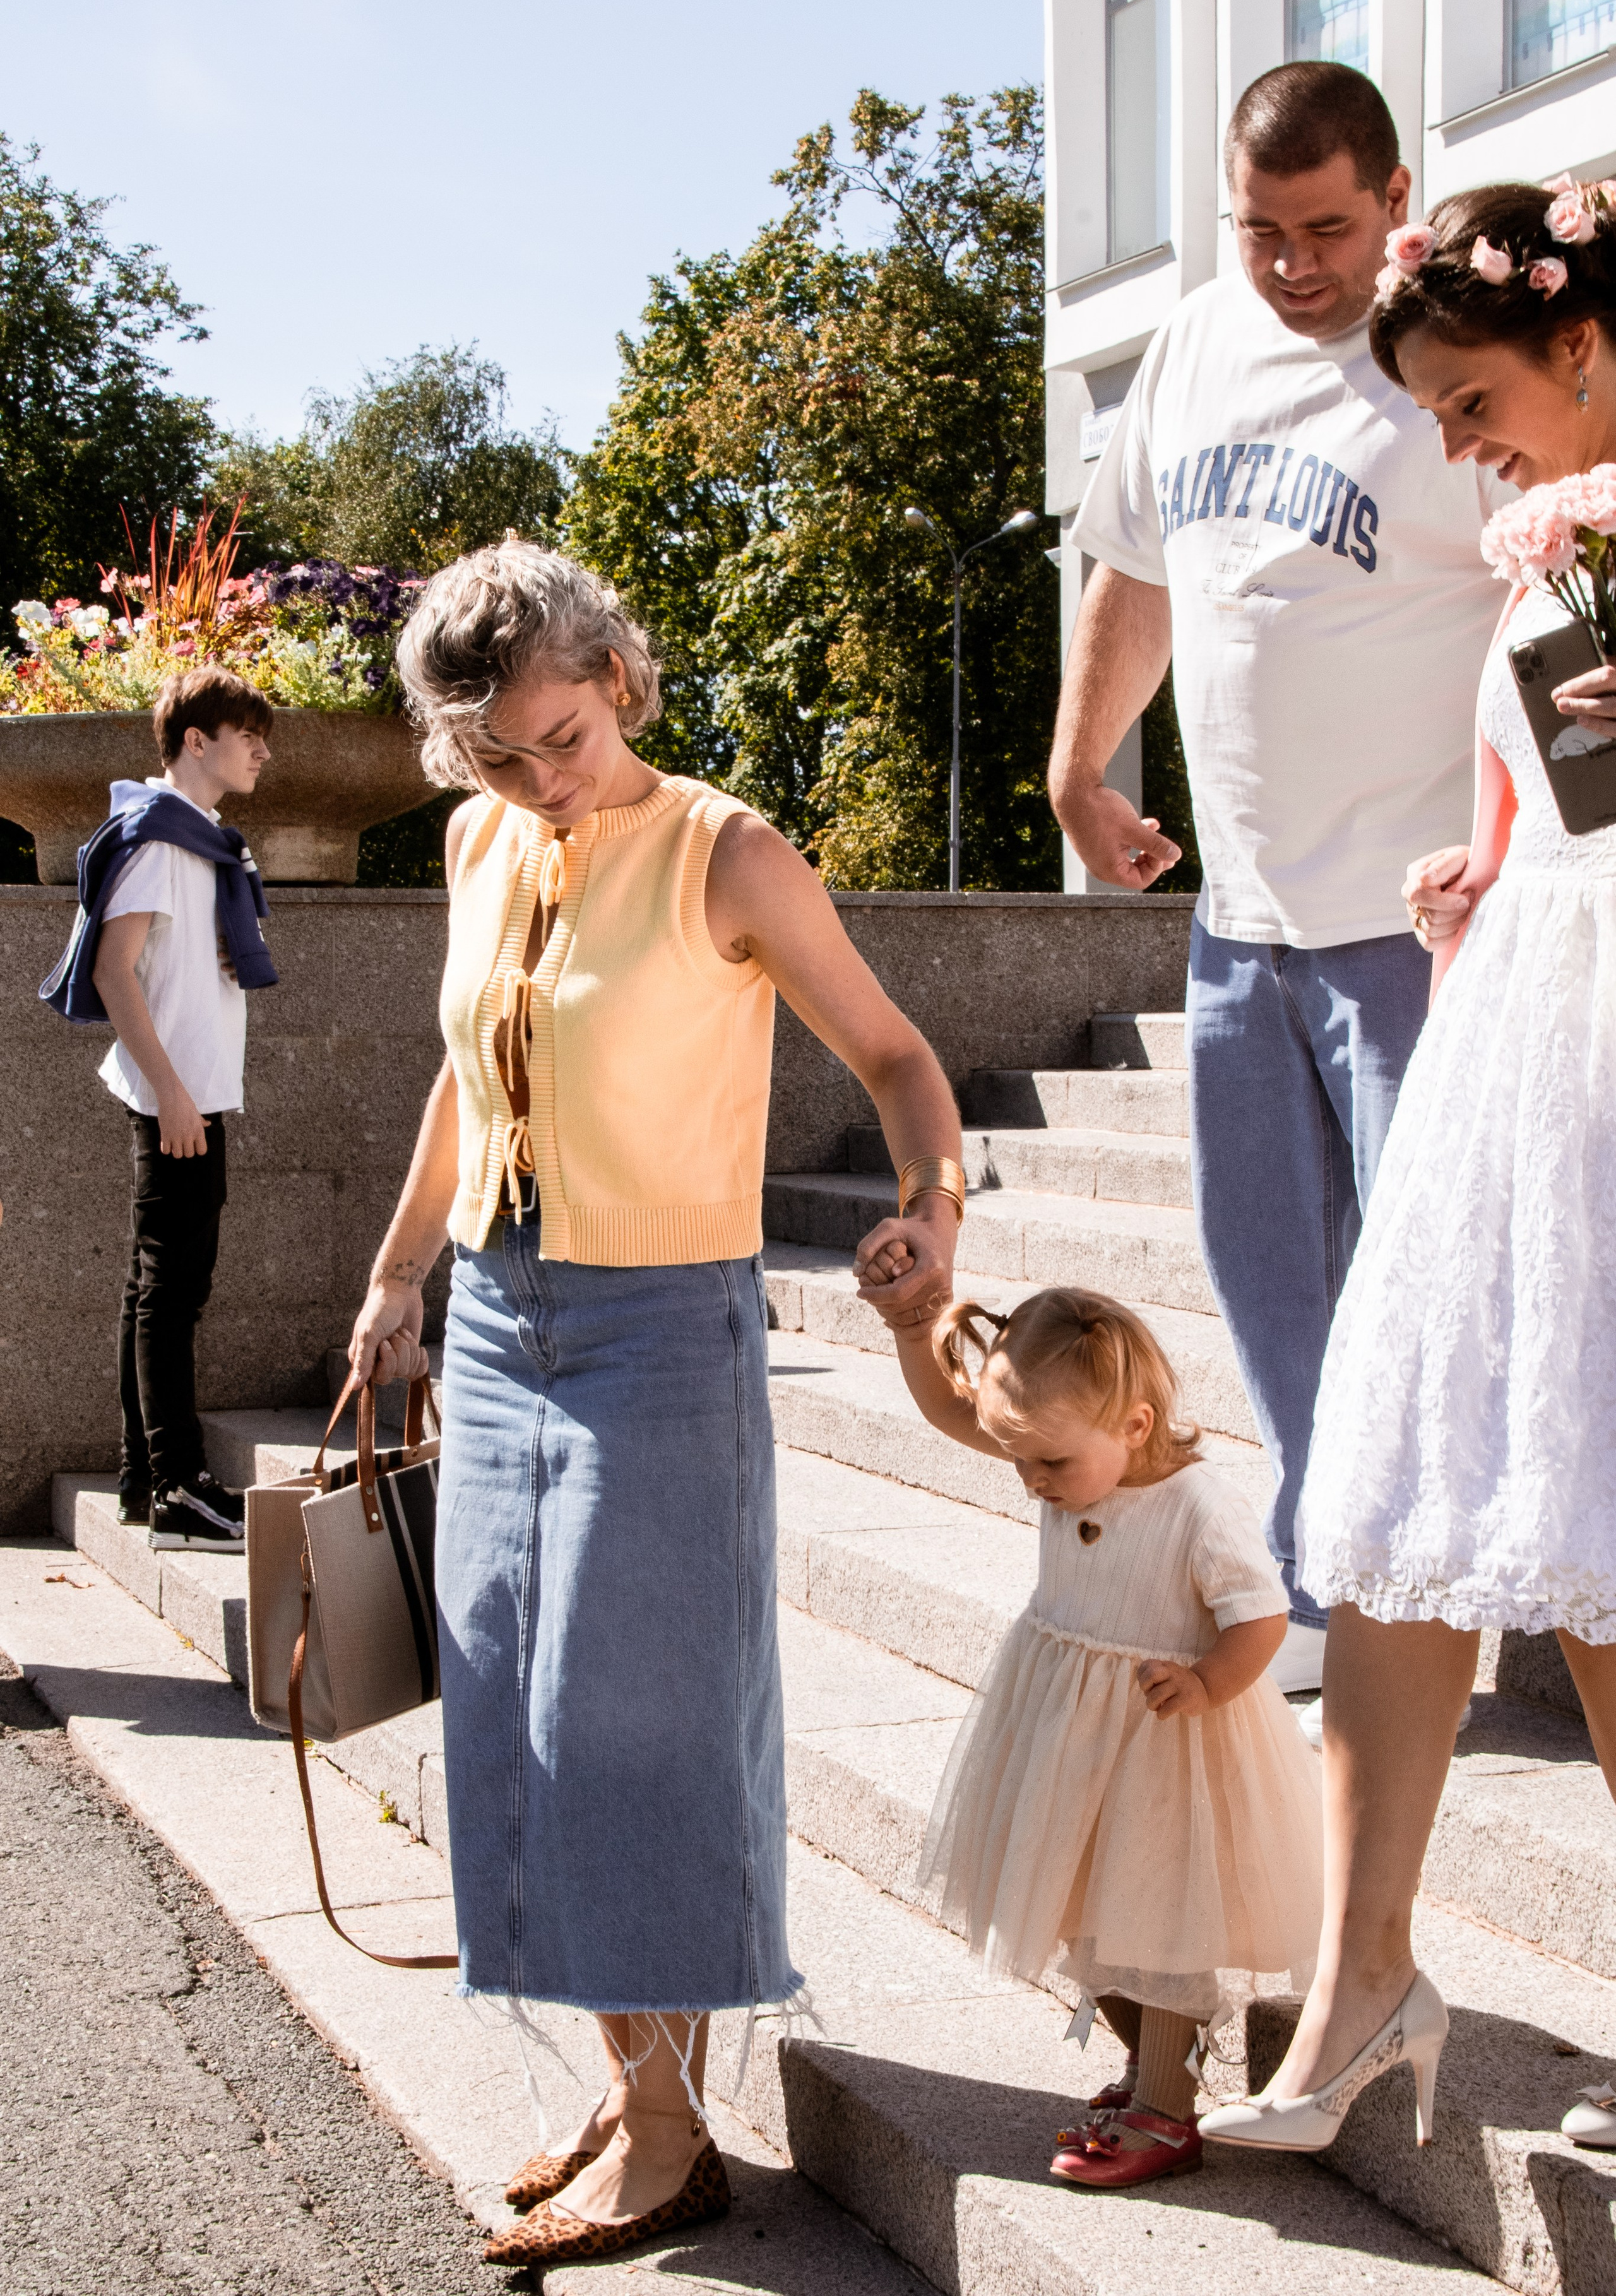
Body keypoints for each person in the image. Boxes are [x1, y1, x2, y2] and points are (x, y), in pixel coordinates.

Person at [344, 540, 963, 2273]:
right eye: (496, 752)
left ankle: (679, 2131)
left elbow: (902, 1057)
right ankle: (633, 2087)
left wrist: (936, 1206)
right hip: (494, 1318)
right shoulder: (479, 842)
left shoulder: (727, 850)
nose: (541, 777)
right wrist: (400, 1276)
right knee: (514, 1717)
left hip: (661, 1330)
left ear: (617, 672)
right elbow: (468, 1085)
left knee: (637, 1720)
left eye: (560, 733)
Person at [1200, 180, 1616, 2162]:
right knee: (1400, 1494)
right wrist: (1481, 867)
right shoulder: (1539, 558)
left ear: (1587, 349)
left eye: (1472, 403)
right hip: (1522, 1044)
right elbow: (1540, 804)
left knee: (1594, 1513)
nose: (1459, 449)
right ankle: (1366, 1982)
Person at [1049, 62, 1512, 1699]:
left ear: (1398, 194)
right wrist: (1080, 764)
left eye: (1327, 227)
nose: (1295, 264)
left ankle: (1454, 1577)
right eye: (1260, 230)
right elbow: (1133, 566)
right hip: (1243, 922)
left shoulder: (1455, 363)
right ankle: (1338, 1590)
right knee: (1270, 1281)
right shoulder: (1190, 343)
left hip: (1418, 921)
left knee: (1436, 1280)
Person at [855, 1263, 1321, 2191]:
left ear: (1134, 1425)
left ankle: (1167, 2106)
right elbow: (955, 1415)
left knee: (1159, 1920)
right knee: (1078, 1910)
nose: (1030, 1482)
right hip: (1070, 1742)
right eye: (1020, 1460)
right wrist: (914, 1330)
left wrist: (1207, 1682)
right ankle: (1159, 2070)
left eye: (1048, 1464)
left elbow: (1262, 1614)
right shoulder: (1069, 1454)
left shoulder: (1195, 1504)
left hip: (1167, 1746)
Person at [40, 663, 276, 1549]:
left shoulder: (203, 839)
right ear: (195, 740)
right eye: (246, 733)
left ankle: (147, 1479)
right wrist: (175, 1094)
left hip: (194, 1091)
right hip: (178, 1097)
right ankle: (181, 1488)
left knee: (157, 1288)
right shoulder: (158, 838)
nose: (262, 750)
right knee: (173, 1294)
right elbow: (112, 970)